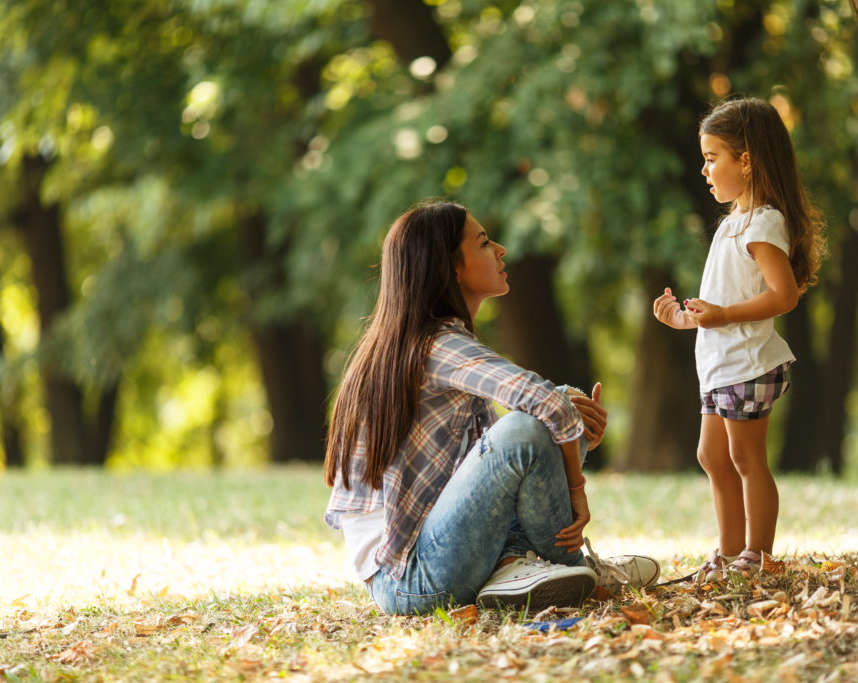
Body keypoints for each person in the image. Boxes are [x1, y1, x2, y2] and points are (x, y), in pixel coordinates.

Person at [324, 200, 659, 615]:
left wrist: (567, 415)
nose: (500, 250)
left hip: (433, 553)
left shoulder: (422, 341)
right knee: (530, 425)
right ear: (450, 268)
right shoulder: (436, 345)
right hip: (409, 578)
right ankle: (573, 568)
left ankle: (513, 565)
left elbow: (503, 447)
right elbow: (537, 410)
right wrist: (577, 490)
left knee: (560, 401)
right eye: (483, 243)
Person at [652, 98, 825, 580]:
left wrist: (724, 314)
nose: (704, 169)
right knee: (711, 455)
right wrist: (685, 319)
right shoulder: (734, 222)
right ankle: (727, 553)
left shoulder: (764, 222)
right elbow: (721, 306)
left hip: (749, 364)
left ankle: (757, 553)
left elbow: (783, 296)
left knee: (746, 457)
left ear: (745, 160)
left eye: (712, 157)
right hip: (722, 363)